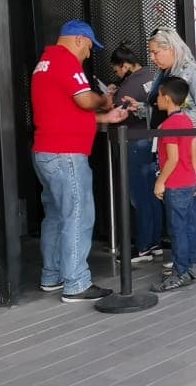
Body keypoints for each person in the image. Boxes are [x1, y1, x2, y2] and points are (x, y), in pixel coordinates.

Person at [30, 19, 127, 303]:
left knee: (56, 215)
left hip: (47, 151)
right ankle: (76, 283)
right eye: (89, 48)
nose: (88, 54)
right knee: (79, 214)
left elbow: (66, 113)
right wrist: (105, 102)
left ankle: (53, 275)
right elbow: (85, 101)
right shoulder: (67, 61)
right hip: (66, 154)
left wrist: (105, 119)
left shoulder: (45, 63)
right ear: (80, 40)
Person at [123, 28, 196, 275]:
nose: (152, 57)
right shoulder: (164, 74)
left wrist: (177, 123)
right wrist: (140, 108)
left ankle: (194, 257)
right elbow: (162, 108)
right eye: (151, 53)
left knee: (189, 198)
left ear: (171, 48)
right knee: (175, 199)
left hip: (190, 142)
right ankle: (182, 256)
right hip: (168, 142)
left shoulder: (194, 73)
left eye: (156, 52)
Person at [108, 43, 162, 263]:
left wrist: (110, 96)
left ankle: (142, 247)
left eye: (117, 69)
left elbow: (116, 112)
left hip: (134, 143)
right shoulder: (151, 76)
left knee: (138, 196)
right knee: (152, 193)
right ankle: (155, 240)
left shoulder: (129, 85)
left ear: (126, 65)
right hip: (150, 142)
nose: (118, 73)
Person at [149, 77, 196, 292]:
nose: (157, 100)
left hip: (175, 185)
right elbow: (194, 152)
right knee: (188, 227)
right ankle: (190, 266)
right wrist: (195, 178)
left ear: (168, 99)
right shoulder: (187, 120)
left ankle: (179, 272)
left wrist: (159, 182)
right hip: (188, 182)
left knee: (177, 230)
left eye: (160, 96)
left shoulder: (170, 124)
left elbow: (172, 159)